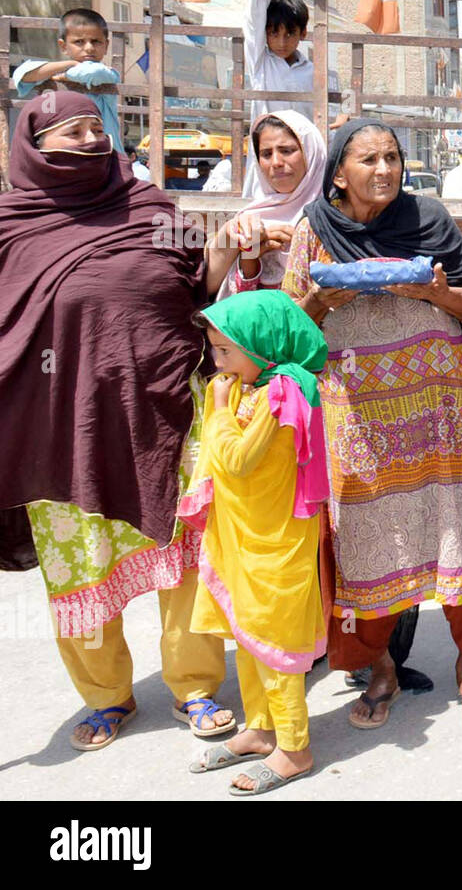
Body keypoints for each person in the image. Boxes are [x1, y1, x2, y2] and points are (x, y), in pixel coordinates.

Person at [0, 94, 233, 749]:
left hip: (159, 413)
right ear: (34, 148)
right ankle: (106, 696)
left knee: (182, 553)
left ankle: (195, 684)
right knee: (80, 564)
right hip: (58, 429)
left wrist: (223, 251)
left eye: (96, 128)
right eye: (69, 132)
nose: (88, 140)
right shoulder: (10, 227)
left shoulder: (152, 208)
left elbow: (199, 286)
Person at [282, 118, 462, 729]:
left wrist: (436, 293)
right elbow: (288, 329)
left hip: (440, 407)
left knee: (460, 526)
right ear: (339, 172)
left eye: (392, 157)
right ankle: (379, 668)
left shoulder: (428, 219)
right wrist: (321, 303)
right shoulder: (316, 229)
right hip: (356, 414)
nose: (384, 170)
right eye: (368, 160)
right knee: (364, 536)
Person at [183, 292, 329, 795]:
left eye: (225, 352)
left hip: (276, 543)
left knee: (275, 642)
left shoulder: (282, 392)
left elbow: (237, 461)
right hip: (245, 533)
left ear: (263, 346)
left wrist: (219, 410)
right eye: (214, 351)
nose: (216, 363)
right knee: (248, 635)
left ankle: (294, 747)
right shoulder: (256, 384)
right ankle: (260, 730)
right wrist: (226, 398)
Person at [243, 0, 343, 195]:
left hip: (305, 158)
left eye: (290, 33)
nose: (281, 41)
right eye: (273, 33)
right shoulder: (260, 63)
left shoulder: (317, 74)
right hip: (270, 155)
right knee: (265, 205)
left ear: (303, 34)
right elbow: (253, 18)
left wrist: (339, 123)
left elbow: (332, 117)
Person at [205, 110, 327, 296]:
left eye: (287, 151)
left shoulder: (335, 215)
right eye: (266, 154)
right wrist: (248, 253)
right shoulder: (248, 220)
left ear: (311, 153)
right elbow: (212, 289)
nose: (276, 162)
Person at [13, 8, 123, 152]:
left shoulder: (109, 74)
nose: (89, 48)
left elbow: (92, 72)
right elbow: (23, 73)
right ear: (63, 46)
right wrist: (68, 64)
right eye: (79, 42)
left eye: (96, 41)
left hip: (105, 153)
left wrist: (65, 76)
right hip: (68, 151)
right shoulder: (58, 69)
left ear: (106, 45)